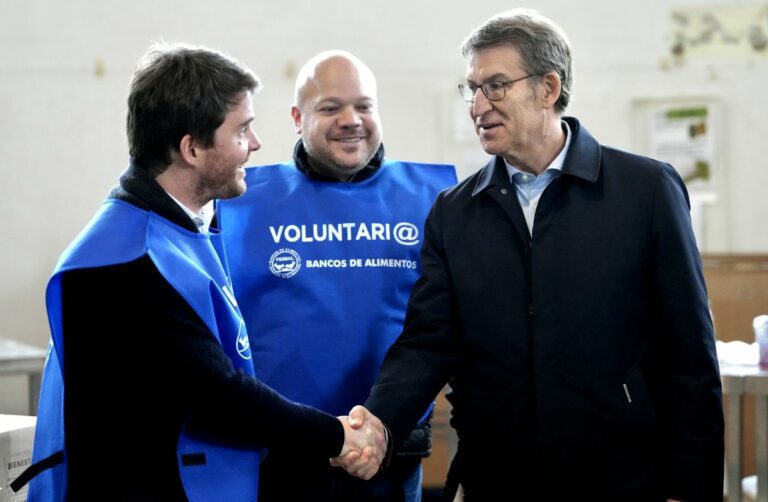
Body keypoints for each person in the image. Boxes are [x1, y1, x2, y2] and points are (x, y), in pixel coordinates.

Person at [356, 9, 724, 501]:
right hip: (498, 476)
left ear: (548, 88)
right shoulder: (454, 211)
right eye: (472, 88)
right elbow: (427, 342)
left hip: (624, 477)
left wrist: (691, 487)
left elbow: (690, 353)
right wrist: (380, 423)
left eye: (497, 85)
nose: (478, 105)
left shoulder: (646, 190)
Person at [12, 43, 385, 501]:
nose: (256, 144)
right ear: (191, 148)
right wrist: (337, 435)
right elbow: (220, 395)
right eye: (242, 130)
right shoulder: (129, 259)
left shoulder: (175, 229)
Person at [216, 50, 457, 501]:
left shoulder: (434, 203)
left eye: (364, 106)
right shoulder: (238, 201)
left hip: (389, 458)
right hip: (279, 459)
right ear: (297, 117)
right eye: (330, 108)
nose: (352, 120)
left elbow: (446, 329)